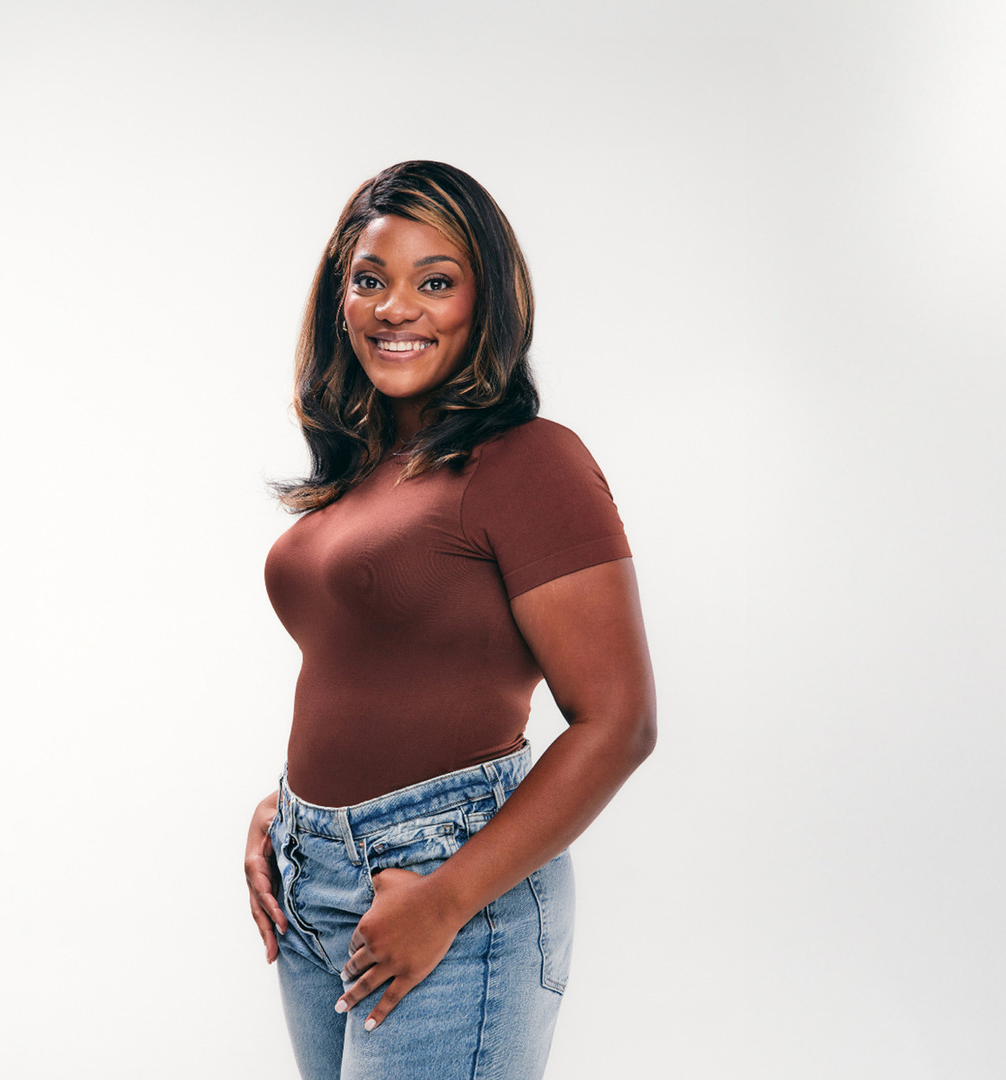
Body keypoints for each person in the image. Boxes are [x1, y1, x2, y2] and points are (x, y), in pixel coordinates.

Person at [244, 160, 656, 1080]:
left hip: (446, 880)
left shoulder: (529, 462)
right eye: (370, 279)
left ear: (488, 302)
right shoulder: (360, 473)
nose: (396, 308)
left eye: (436, 282)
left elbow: (620, 721)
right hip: (314, 881)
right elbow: (368, 671)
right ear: (339, 301)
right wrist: (294, 813)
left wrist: (446, 896)